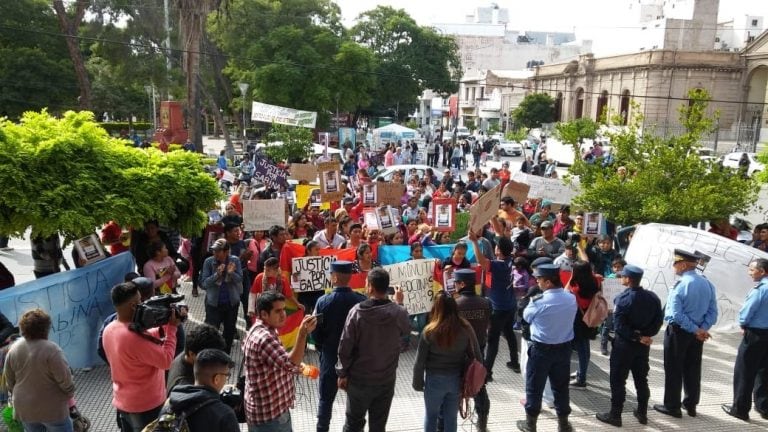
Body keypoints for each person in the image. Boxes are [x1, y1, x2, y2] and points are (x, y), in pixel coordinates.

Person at [336, 268, 411, 432]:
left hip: (359, 380)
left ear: (370, 286)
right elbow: (406, 338)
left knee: (353, 424)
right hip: (385, 380)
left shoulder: (357, 312)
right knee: (378, 425)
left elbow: (345, 346)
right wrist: (400, 303)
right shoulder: (399, 312)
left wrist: (342, 373)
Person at [102, 281, 181, 431]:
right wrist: (172, 329)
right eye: (140, 302)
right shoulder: (133, 338)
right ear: (133, 305)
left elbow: (142, 340)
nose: (143, 304)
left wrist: (163, 325)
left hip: (123, 402)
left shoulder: (110, 328)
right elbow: (166, 361)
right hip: (146, 406)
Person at [653, 249, 718, 419]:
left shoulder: (681, 285)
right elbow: (713, 313)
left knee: (674, 368)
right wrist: (701, 329)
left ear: (682, 264)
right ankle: (691, 404)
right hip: (697, 334)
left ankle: (672, 406)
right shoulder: (707, 283)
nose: (673, 267)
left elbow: (676, 314)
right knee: (692, 368)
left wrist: (696, 330)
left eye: (675, 263)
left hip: (679, 332)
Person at [595, 264, 663, 426]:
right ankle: (642, 412)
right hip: (642, 347)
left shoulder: (623, 299)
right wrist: (645, 336)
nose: (620, 278)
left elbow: (619, 327)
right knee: (641, 379)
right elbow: (658, 322)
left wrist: (636, 336)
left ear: (628, 279)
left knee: (618, 380)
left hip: (624, 346)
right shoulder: (653, 298)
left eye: (622, 276)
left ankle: (615, 415)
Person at [243, 291, 317, 431]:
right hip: (271, 418)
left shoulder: (262, 329)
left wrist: (301, 369)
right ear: (264, 314)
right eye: (278, 311)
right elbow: (290, 363)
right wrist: (302, 334)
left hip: (267, 412)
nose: (284, 314)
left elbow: (278, 362)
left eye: (284, 309)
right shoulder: (265, 338)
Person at [518, 263, 577, 432]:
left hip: (542, 350)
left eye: (539, 279)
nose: (537, 282)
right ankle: (563, 423)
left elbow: (527, 318)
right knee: (561, 387)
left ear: (549, 282)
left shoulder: (538, 301)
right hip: (564, 350)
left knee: (534, 387)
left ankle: (531, 424)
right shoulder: (570, 298)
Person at [413, 290, 481, 432]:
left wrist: (418, 383)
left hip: (434, 381)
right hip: (455, 380)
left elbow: (419, 362)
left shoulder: (429, 331)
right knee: (451, 419)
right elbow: (477, 355)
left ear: (436, 308)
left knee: (431, 417)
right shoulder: (465, 328)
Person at [312, 261, 367, 432]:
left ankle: (322, 428)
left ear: (334, 277)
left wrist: (322, 348)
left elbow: (315, 332)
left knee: (325, 401)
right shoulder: (361, 301)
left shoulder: (323, 302)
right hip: (355, 362)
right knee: (356, 404)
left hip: (330, 358)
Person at [3, 308, 75, 432]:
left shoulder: (13, 350)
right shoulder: (52, 349)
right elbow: (65, 379)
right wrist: (69, 393)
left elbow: (9, 382)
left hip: (25, 409)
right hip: (52, 409)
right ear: (45, 328)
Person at [468, 230, 520, 380]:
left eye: (496, 246)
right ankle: (515, 362)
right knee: (509, 333)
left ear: (499, 250)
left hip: (498, 308)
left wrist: (474, 242)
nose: (494, 247)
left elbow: (482, 262)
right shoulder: (511, 260)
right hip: (510, 305)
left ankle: (488, 372)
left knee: (493, 340)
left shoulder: (499, 265)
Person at [722, 258, 768, 421]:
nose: (749, 273)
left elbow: (747, 311)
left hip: (755, 334)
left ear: (762, 272)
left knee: (745, 371)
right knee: (764, 371)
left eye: (752, 270)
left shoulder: (761, 289)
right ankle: (764, 406)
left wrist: (743, 324)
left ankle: (740, 409)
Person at [454, 268, 492, 431]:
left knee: (454, 388)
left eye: (456, 283)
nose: (455, 286)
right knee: (479, 386)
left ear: (462, 284)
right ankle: (482, 423)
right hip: (478, 352)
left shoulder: (455, 305)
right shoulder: (485, 302)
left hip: (458, 354)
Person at [166, 349, 239, 432]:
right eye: (227, 375)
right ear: (217, 379)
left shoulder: (171, 402)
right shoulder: (225, 415)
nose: (226, 379)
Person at [200, 239, 243, 354]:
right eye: (214, 251)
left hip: (231, 303)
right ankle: (210, 357)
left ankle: (225, 358)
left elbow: (240, 279)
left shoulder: (235, 261)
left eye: (218, 251)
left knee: (229, 333)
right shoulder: (208, 262)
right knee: (211, 333)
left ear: (226, 252)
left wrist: (231, 273)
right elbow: (204, 284)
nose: (215, 254)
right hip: (213, 304)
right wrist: (216, 275)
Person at [568, 260, 601, 389]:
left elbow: (566, 291)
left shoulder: (575, 287)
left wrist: (571, 277)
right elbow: (597, 276)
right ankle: (582, 372)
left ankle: (582, 379)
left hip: (578, 319)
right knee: (585, 348)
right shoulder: (595, 281)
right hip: (590, 318)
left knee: (580, 349)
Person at [166, 323, 226, 393]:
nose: (214, 362)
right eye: (210, 357)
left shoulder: (187, 355)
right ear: (192, 354)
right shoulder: (185, 388)